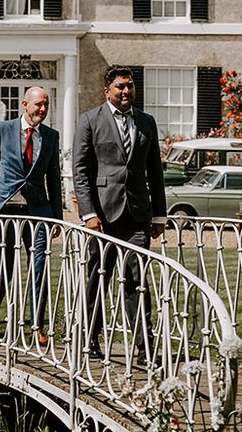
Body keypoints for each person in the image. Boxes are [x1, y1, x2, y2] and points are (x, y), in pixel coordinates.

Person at [72, 65, 166, 364]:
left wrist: (160, 215)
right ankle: (89, 340)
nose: (126, 91)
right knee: (97, 280)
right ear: (107, 90)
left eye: (130, 86)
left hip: (137, 215)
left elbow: (155, 171)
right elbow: (81, 172)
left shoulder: (147, 123)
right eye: (120, 87)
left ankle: (144, 347)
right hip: (101, 216)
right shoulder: (89, 121)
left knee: (137, 281)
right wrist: (88, 213)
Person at [0, 86, 63, 347]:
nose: (43, 110)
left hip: (38, 213)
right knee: (3, 267)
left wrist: (57, 216)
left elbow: (54, 178)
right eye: (38, 105)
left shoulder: (51, 136)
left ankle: (37, 326)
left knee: (39, 269)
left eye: (46, 105)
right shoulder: (2, 129)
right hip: (5, 210)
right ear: (25, 104)